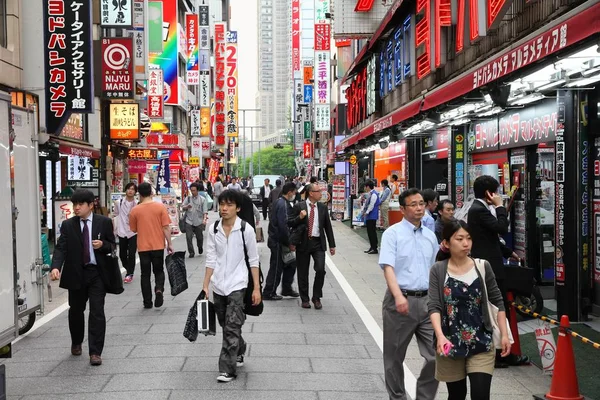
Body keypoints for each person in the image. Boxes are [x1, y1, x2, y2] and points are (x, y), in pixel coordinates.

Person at [428, 220, 511, 400]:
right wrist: (440, 336)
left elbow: (498, 302)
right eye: (459, 239)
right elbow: (434, 305)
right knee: (456, 395)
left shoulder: (482, 266)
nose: (466, 243)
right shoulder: (438, 270)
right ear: (446, 243)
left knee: (481, 395)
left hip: (482, 340)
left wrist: (504, 334)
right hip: (450, 342)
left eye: (469, 238)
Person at [378, 188, 439, 400]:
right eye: (413, 204)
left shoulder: (431, 236)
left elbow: (434, 270)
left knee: (436, 356)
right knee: (394, 358)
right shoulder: (392, 234)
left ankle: (424, 397)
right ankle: (397, 397)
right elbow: (388, 267)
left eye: (421, 203)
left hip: (427, 302)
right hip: (399, 302)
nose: (419, 208)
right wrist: (398, 296)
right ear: (402, 209)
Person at [50, 189, 116, 366]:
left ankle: (95, 352)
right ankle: (76, 341)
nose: (76, 208)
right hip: (76, 273)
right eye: (74, 205)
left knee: (97, 311)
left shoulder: (104, 222)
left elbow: (112, 245)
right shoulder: (68, 225)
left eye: (80, 204)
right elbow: (61, 248)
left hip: (97, 273)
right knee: (76, 311)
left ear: (90, 205)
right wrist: (56, 267)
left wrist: (103, 245)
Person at [467, 175, 527, 367]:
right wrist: (500, 207)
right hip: (489, 268)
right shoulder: (479, 210)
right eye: (497, 191)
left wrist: (509, 252)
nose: (499, 194)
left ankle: (503, 353)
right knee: (496, 310)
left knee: (497, 309)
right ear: (489, 193)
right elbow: (501, 228)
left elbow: (490, 238)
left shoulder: (479, 209)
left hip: (490, 264)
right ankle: (499, 355)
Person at [203, 189, 261, 383]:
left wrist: (256, 289)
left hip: (238, 283)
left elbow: (253, 260)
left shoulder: (246, 229)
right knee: (226, 324)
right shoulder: (213, 229)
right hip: (218, 284)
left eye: (229, 205)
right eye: (222, 204)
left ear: (238, 208)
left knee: (231, 326)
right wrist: (205, 286)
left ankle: (227, 369)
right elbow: (210, 259)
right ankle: (240, 347)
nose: (224, 208)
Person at [288, 183, 336, 309]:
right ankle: (305, 299)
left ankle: (316, 297)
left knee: (320, 270)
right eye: (318, 191)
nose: (321, 193)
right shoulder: (299, 206)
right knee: (302, 272)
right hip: (303, 242)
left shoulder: (322, 207)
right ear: (311, 193)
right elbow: (290, 222)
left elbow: (328, 227)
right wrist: (300, 217)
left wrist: (332, 245)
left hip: (318, 243)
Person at [129, 182, 174, 309]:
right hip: (158, 245)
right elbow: (166, 227)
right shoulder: (160, 207)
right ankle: (159, 289)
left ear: (139, 194)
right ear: (151, 192)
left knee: (145, 274)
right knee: (158, 271)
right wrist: (169, 244)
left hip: (143, 246)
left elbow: (133, 229)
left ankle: (147, 302)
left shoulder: (135, 210)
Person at [263, 183, 300, 300]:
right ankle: (269, 292)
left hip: (278, 239)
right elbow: (283, 225)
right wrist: (289, 242)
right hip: (278, 241)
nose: (294, 195)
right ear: (289, 192)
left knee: (291, 263)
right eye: (294, 192)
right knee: (276, 266)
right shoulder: (283, 204)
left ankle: (286, 287)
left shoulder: (280, 202)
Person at [114, 183, 137, 283]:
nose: (130, 191)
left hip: (133, 232)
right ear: (125, 190)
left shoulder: (137, 204)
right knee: (122, 254)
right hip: (122, 230)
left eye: (132, 189)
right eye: (128, 189)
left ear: (135, 192)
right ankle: (128, 268)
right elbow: (116, 215)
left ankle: (129, 273)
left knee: (132, 253)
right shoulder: (118, 202)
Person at [182, 182, 208, 258]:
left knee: (199, 237)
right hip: (189, 221)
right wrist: (186, 207)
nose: (193, 192)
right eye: (191, 190)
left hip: (199, 221)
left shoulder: (202, 200)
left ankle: (200, 246)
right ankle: (191, 252)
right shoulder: (188, 198)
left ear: (197, 190)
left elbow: (205, 211)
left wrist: (204, 219)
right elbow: (182, 207)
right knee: (188, 237)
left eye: (194, 190)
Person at [360, 180, 381, 254]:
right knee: (369, 231)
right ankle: (372, 246)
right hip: (369, 215)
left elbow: (371, 205)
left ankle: (374, 248)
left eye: (365, 187)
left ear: (368, 186)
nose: (365, 188)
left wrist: (367, 212)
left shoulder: (374, 194)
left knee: (372, 232)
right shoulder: (370, 194)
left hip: (372, 215)